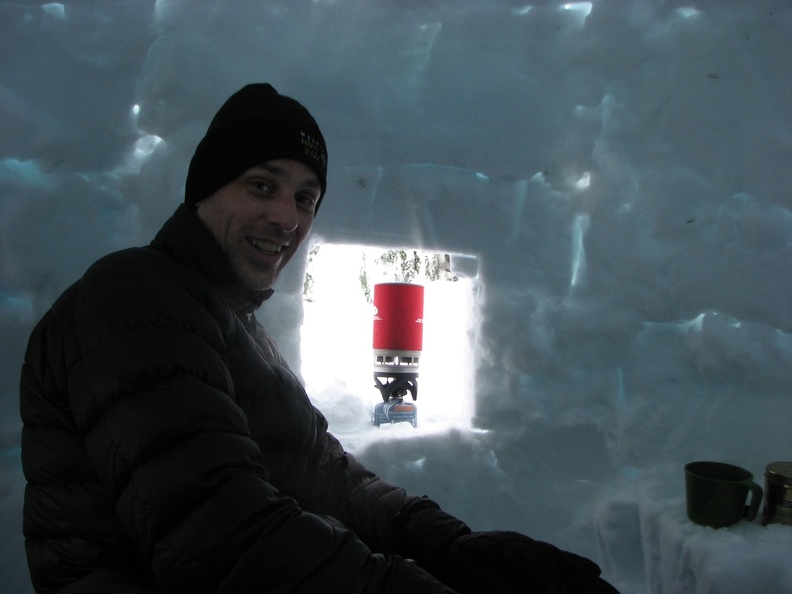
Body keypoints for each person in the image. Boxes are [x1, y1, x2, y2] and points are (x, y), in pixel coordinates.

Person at [20, 83, 619, 593]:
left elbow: (324, 475)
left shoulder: (230, 323)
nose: (287, 219)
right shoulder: (134, 300)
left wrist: (458, 549)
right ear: (204, 189)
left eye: (305, 198)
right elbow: (223, 538)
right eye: (262, 185)